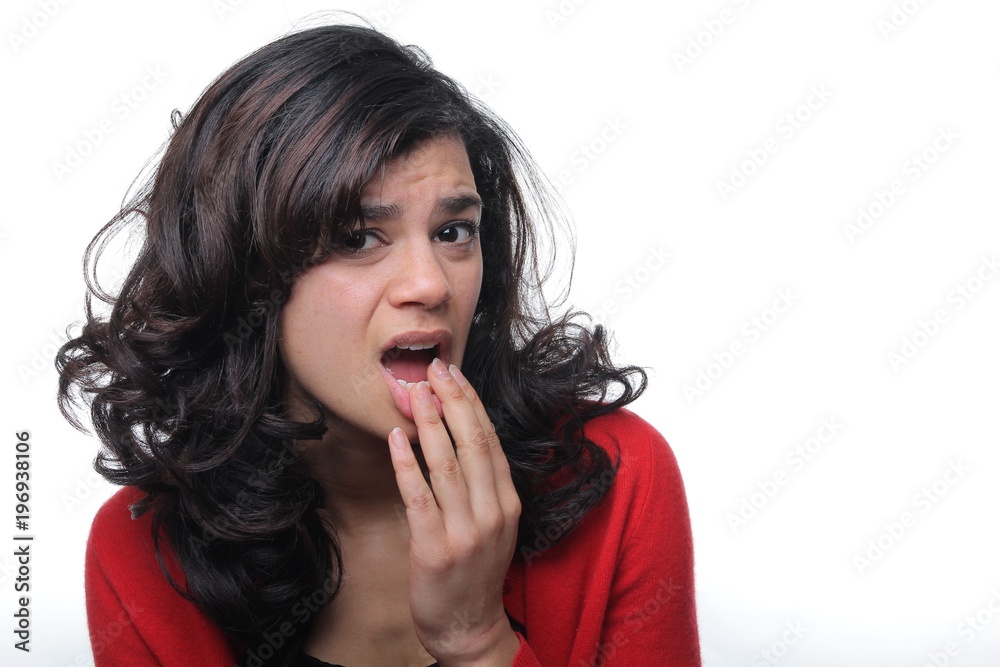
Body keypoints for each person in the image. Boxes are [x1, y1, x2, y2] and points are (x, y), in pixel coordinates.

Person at [57, 22, 701, 667]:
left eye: (454, 231)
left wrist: (480, 643)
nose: (431, 284)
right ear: (244, 273)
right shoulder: (144, 551)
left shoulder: (615, 476)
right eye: (358, 238)